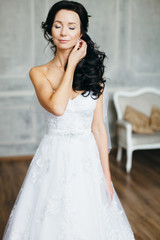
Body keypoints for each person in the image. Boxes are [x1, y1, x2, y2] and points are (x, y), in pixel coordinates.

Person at [2, 1, 135, 239]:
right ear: (49, 30)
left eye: (72, 27)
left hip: (86, 159)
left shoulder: (96, 73)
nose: (64, 32)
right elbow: (57, 107)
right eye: (58, 25)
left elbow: (98, 128)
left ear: (81, 32)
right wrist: (71, 64)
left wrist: (107, 177)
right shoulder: (38, 72)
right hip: (53, 156)